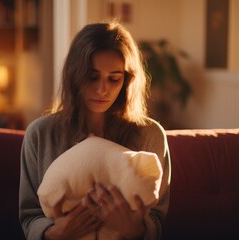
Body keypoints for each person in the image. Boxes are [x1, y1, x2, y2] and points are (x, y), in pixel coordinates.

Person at [19, 21, 171, 240]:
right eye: (92, 76)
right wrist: (56, 233)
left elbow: (157, 219)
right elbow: (29, 216)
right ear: (74, 75)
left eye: (114, 79)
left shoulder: (150, 135)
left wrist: (134, 229)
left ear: (127, 81)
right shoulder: (40, 135)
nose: (102, 90)